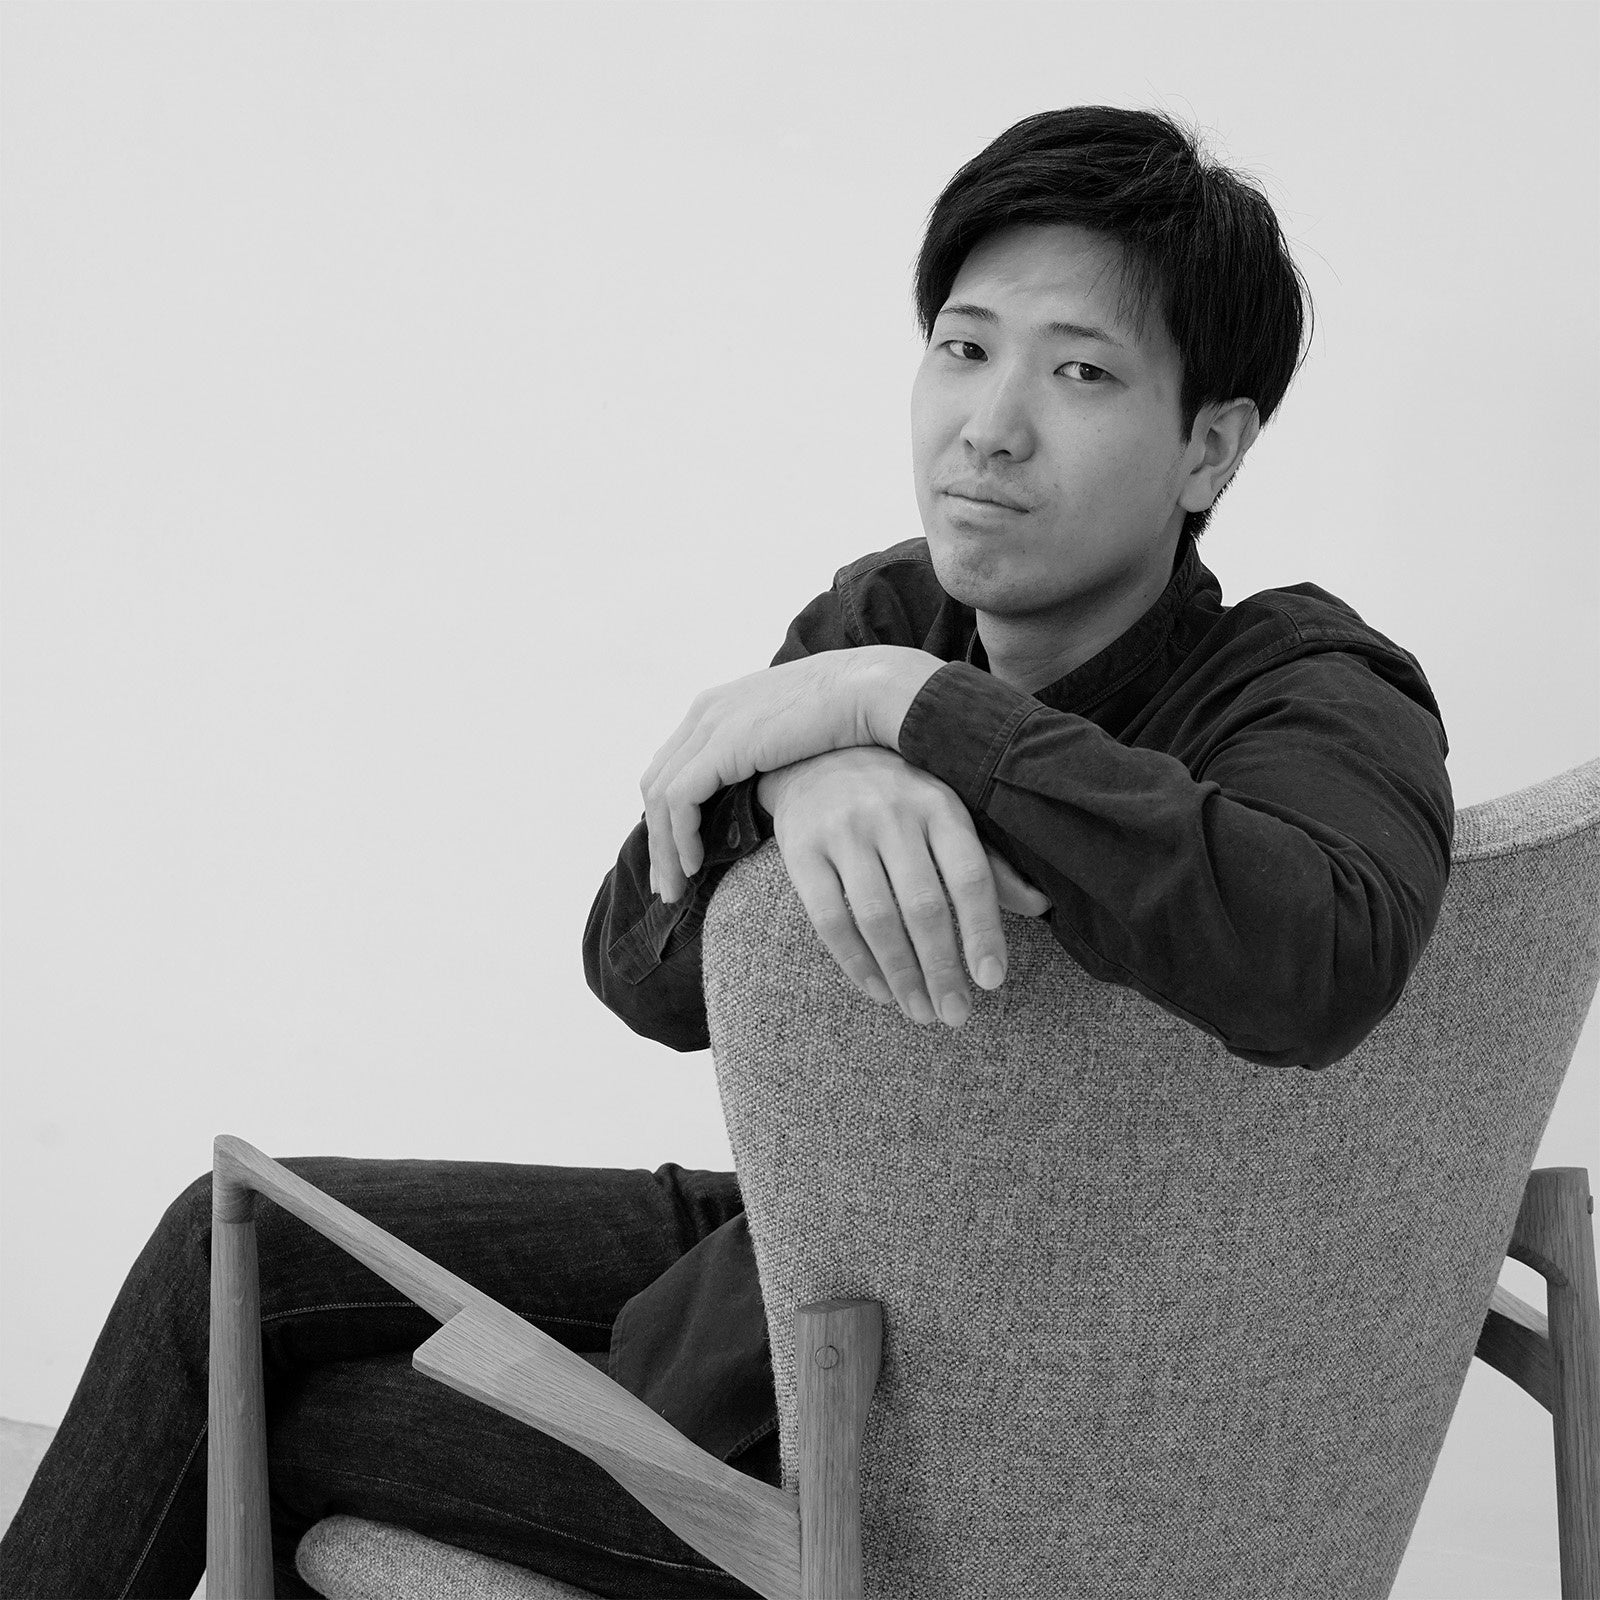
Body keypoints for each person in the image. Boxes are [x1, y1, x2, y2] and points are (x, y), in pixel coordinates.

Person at [0, 106, 1451, 1599]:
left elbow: (1320, 956)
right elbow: (637, 971)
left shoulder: (1307, 687)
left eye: (1080, 372)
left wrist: (911, 711)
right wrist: (804, 774)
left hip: (999, 1415)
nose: (989, 425)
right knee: (230, 1255)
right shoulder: (891, 614)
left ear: (1210, 446)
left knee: (297, 1412)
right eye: (963, 348)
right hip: (803, 1252)